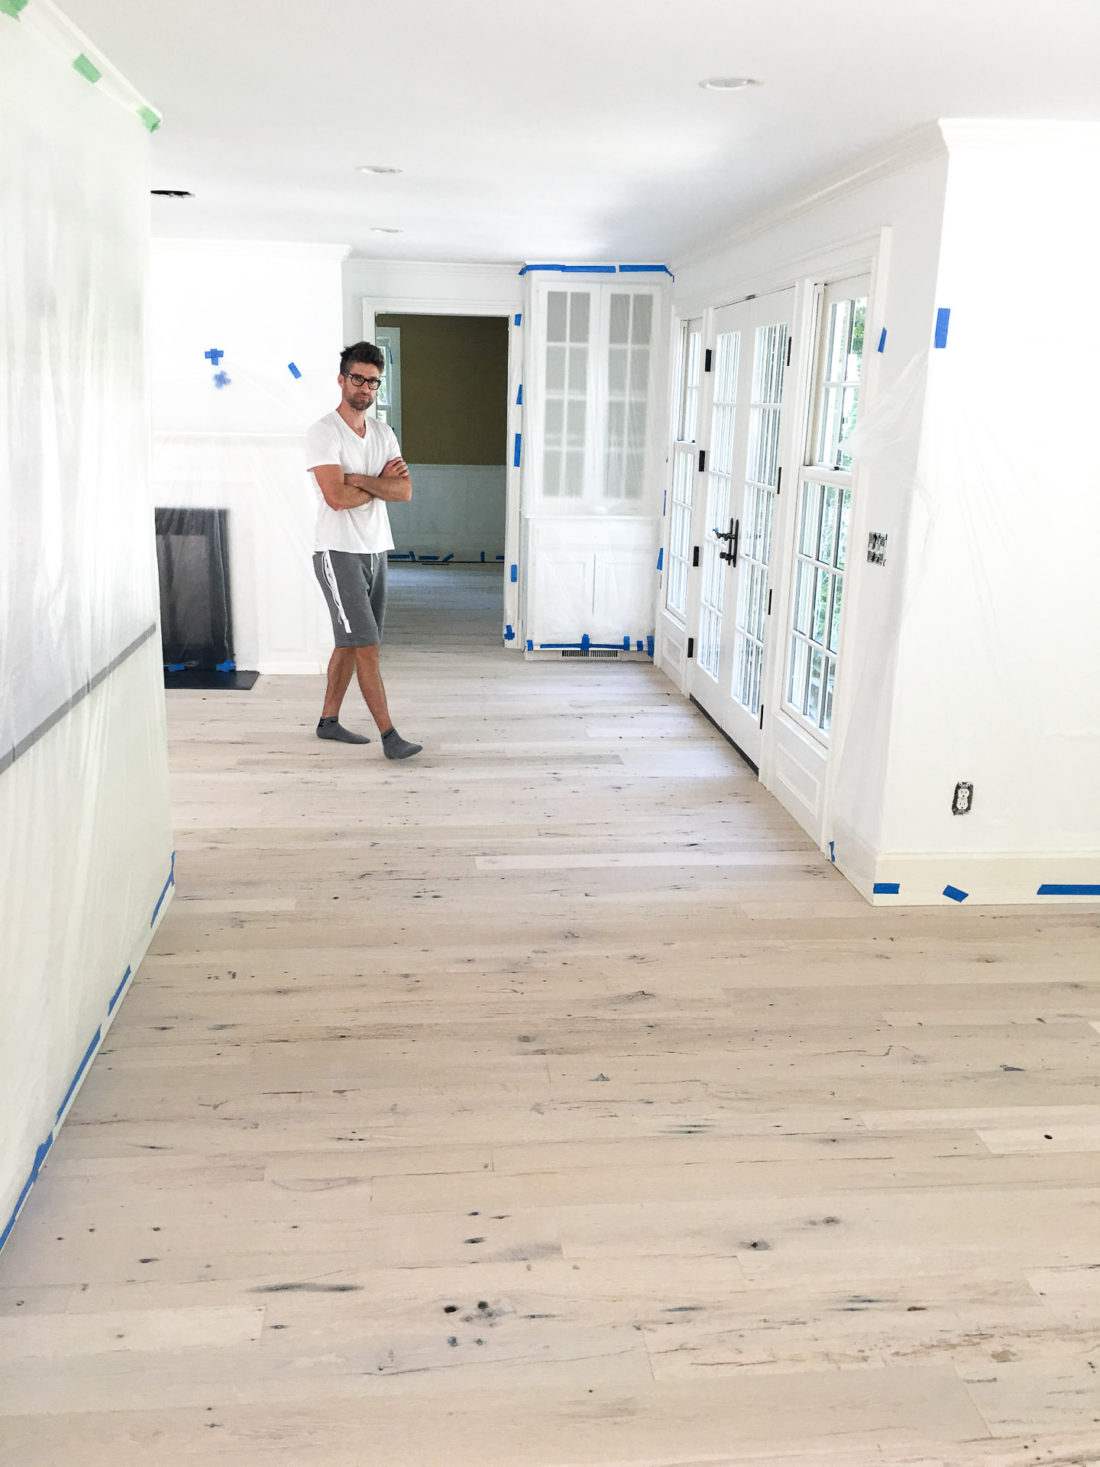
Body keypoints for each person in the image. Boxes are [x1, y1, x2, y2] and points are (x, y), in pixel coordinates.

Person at [305, 342, 422, 759]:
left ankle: (328, 722)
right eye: (358, 379)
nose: (366, 388)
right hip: (338, 553)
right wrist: (377, 483)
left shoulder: (384, 433)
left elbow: (404, 491)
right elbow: (335, 497)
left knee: (351, 643)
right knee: (366, 645)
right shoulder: (324, 432)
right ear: (342, 379)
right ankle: (390, 737)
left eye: (373, 382)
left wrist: (360, 479)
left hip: (375, 551)